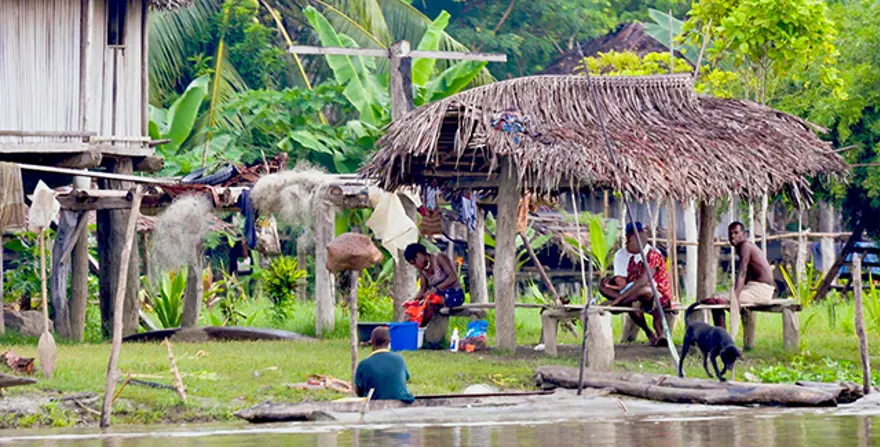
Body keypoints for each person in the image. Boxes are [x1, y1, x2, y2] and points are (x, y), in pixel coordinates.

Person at [604, 222, 674, 347]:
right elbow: (627, 283)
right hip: (634, 295)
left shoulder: (654, 255)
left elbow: (641, 282)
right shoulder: (630, 259)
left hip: (658, 294)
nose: (628, 243)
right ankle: (651, 333)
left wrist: (620, 298)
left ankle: (661, 336)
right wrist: (611, 287)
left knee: (645, 291)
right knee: (610, 289)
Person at [404, 243, 465, 327]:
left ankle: (420, 328)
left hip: (455, 294)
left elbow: (453, 277)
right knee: (416, 308)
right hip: (438, 296)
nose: (415, 265)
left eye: (414, 262)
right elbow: (423, 289)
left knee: (431, 301)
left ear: (420, 254)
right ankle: (414, 328)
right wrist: (413, 301)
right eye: (413, 264)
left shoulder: (439, 258)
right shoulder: (422, 270)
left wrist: (437, 289)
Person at [355, 326, 415, 403]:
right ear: (389, 342)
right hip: (400, 403)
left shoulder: (364, 364)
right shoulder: (399, 359)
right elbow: (405, 379)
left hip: (374, 405)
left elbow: (358, 391)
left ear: (372, 342)